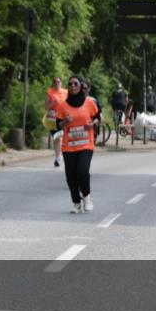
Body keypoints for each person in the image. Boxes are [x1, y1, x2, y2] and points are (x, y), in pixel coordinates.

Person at [55, 75, 101, 214]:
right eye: (70, 84)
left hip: (86, 144)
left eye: (75, 84)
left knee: (82, 170)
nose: (72, 86)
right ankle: (76, 202)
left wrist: (92, 124)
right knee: (71, 175)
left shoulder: (89, 102)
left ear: (81, 86)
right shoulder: (63, 105)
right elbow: (58, 124)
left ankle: (86, 197)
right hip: (69, 146)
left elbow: (97, 118)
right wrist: (66, 122)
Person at [44, 77, 68, 167]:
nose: (57, 83)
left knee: (62, 136)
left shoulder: (66, 92)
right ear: (53, 83)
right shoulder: (50, 92)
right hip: (53, 118)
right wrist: (52, 104)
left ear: (61, 82)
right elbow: (46, 107)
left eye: (58, 81)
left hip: (64, 117)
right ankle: (58, 157)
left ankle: (61, 155)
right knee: (56, 137)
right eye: (55, 82)